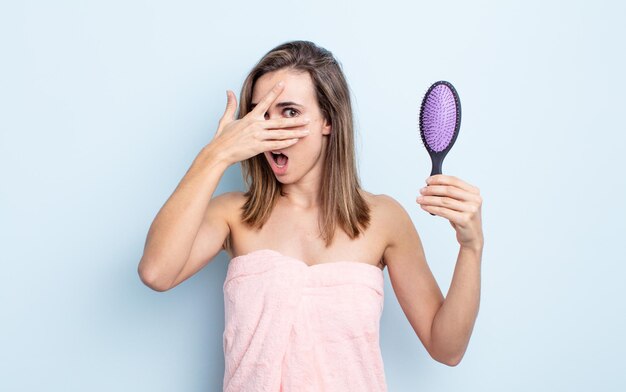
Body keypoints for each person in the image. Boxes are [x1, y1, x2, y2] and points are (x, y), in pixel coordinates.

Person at [138, 40, 484, 391]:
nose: (271, 131)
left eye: (289, 111)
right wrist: (216, 154)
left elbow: (447, 348)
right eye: (261, 113)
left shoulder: (384, 219)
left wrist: (471, 247)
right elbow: (156, 272)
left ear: (328, 120)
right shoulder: (233, 214)